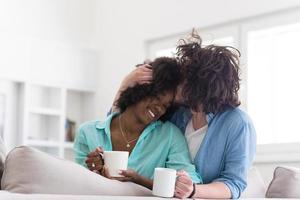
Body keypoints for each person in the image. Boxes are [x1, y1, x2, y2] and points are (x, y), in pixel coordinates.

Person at [111, 32, 256, 199]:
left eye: (186, 83)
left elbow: (234, 184)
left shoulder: (238, 123)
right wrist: (125, 84)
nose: (181, 86)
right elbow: (118, 123)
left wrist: (193, 190)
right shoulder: (179, 114)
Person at [74, 57, 202, 192]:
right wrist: (93, 171)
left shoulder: (170, 136)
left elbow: (190, 182)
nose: (160, 109)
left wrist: (139, 180)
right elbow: (78, 186)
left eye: (166, 105)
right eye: (157, 98)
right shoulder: (88, 132)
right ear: (140, 90)